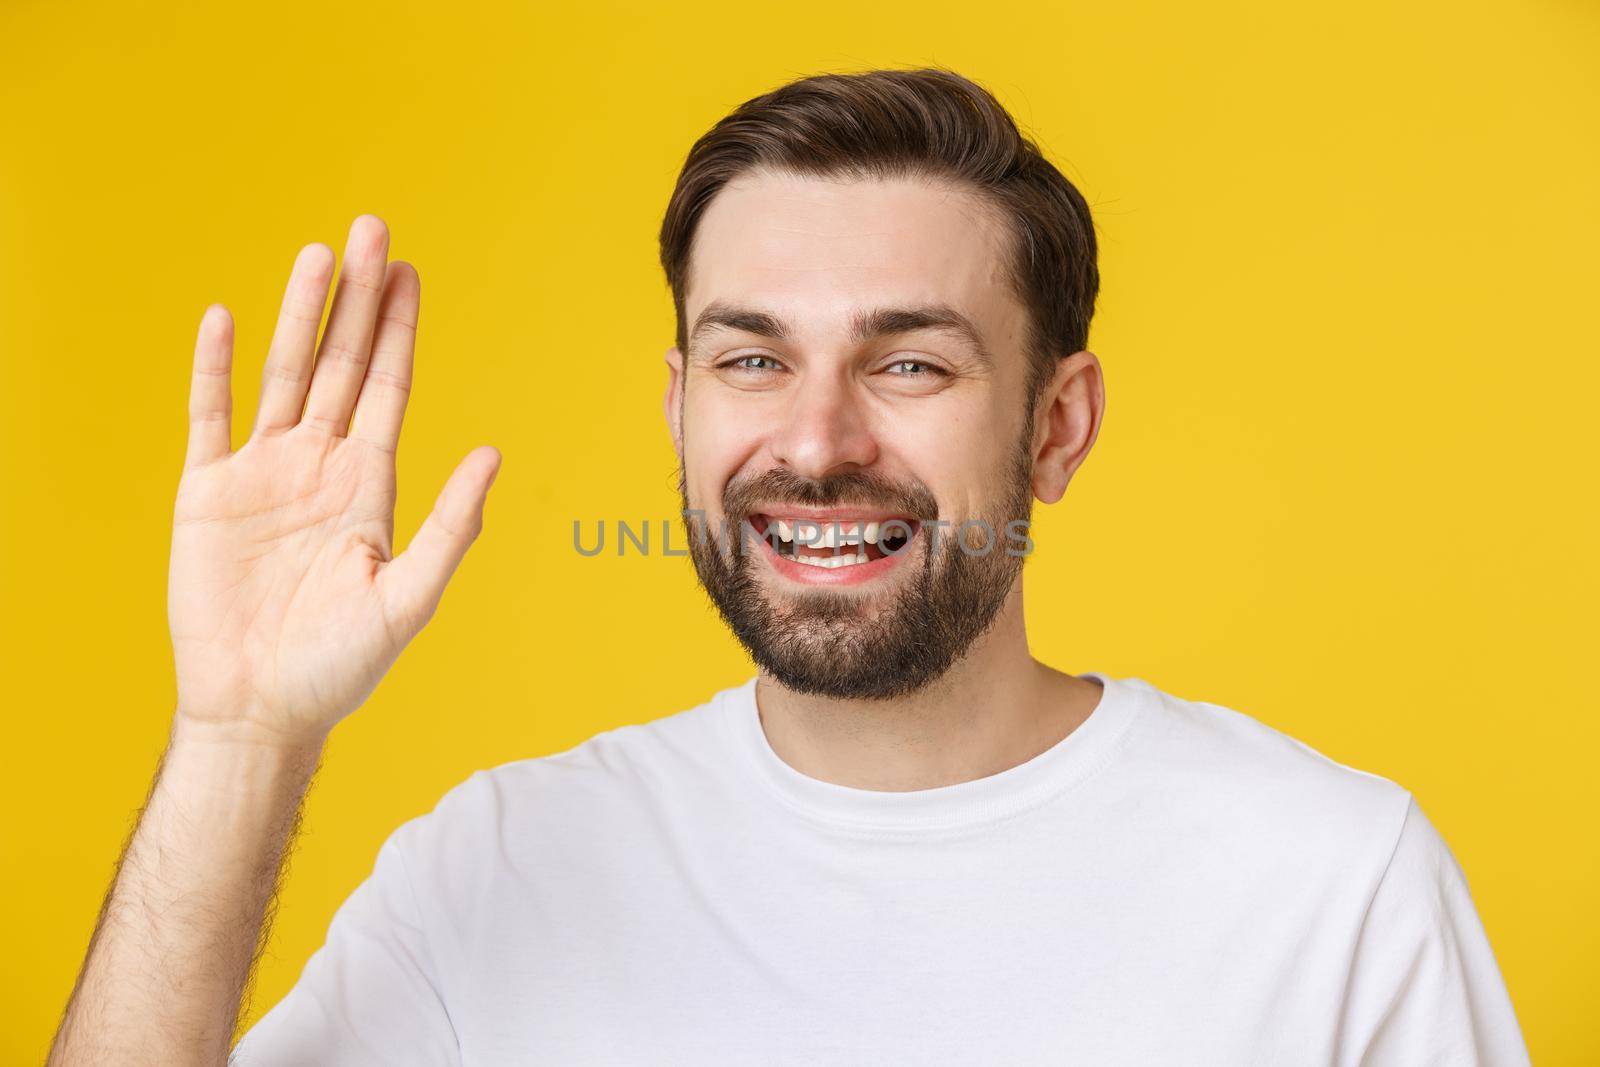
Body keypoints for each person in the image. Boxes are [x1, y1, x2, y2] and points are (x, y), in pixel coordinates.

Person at [50, 68, 1530, 1066]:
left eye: (909, 361)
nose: (816, 442)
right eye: (753, 358)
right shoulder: (489, 872)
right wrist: (239, 741)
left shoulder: (1332, 885)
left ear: (1057, 426)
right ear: (682, 408)